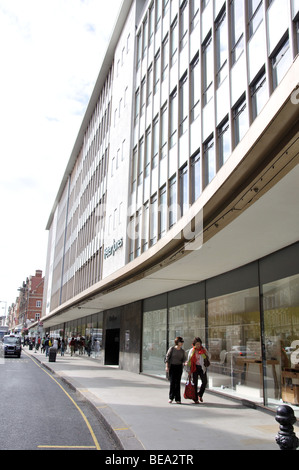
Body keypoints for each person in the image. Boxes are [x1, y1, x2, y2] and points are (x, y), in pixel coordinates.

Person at [186, 337, 210, 403]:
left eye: (199, 344)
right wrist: (189, 370)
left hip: (202, 368)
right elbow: (189, 360)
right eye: (196, 344)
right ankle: (195, 398)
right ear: (194, 344)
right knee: (195, 383)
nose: (198, 345)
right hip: (194, 368)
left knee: (204, 381)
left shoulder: (203, 350)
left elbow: (209, 357)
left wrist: (205, 353)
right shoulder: (191, 351)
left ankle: (200, 394)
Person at [165, 337, 186, 404]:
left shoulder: (182, 351)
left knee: (177, 383)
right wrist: (167, 367)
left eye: (182, 342)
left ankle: (178, 398)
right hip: (172, 367)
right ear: (177, 342)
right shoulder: (172, 349)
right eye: (181, 341)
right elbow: (167, 358)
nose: (182, 343)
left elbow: (184, 359)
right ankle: (171, 397)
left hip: (179, 367)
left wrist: (185, 362)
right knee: (172, 382)